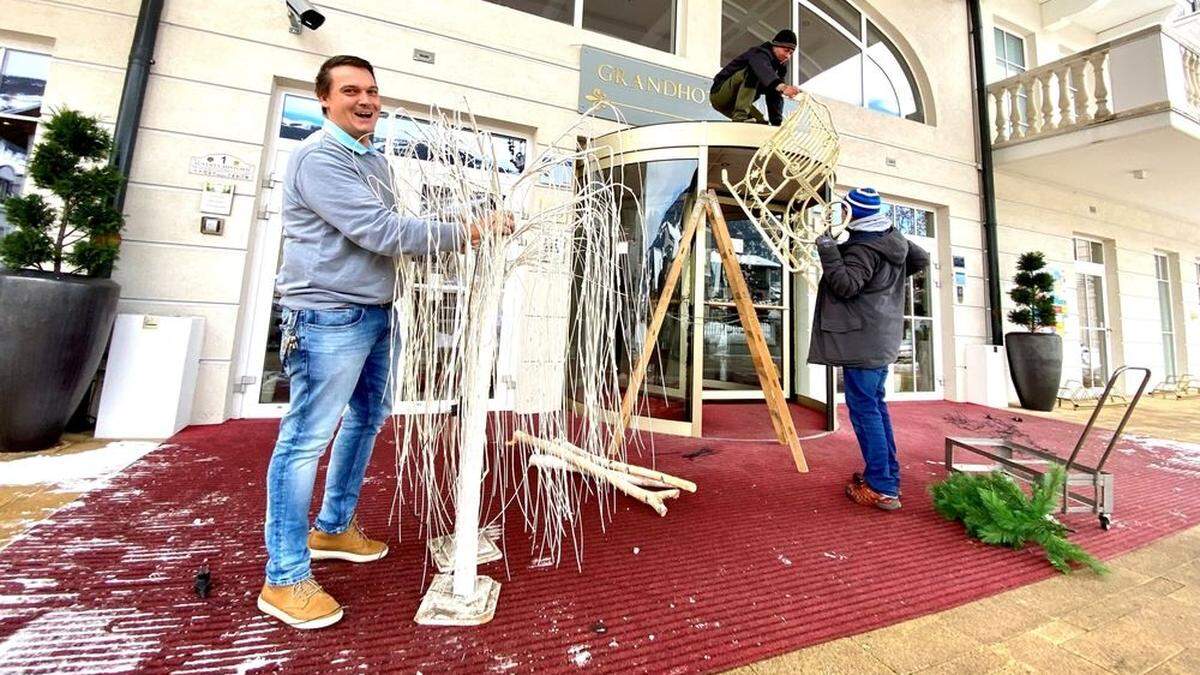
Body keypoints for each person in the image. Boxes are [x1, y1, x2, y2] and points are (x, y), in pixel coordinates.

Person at [258, 54, 509, 629]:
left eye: (371, 90)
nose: (366, 99)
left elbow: (394, 223)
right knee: (303, 442)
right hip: (327, 315)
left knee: (368, 416)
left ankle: (334, 527)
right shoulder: (320, 159)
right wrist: (470, 231)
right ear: (324, 99)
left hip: (374, 311)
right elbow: (381, 231)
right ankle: (284, 577)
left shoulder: (371, 160)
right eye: (350, 90)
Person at [807, 187, 929, 511]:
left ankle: (881, 487)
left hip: (863, 342)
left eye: (845, 209)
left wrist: (827, 247)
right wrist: (885, 288)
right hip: (880, 339)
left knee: (865, 412)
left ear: (854, 214)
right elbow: (921, 258)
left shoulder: (863, 248)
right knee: (875, 408)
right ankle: (887, 478)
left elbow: (846, 285)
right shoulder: (892, 237)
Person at [710, 29, 801, 125]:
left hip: (734, 104)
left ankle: (746, 117)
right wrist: (783, 87)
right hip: (719, 94)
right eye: (786, 51)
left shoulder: (780, 68)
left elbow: (775, 96)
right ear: (776, 46)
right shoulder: (759, 53)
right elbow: (762, 68)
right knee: (755, 72)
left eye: (791, 53)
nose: (788, 56)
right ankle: (740, 117)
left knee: (761, 123)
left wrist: (776, 123)